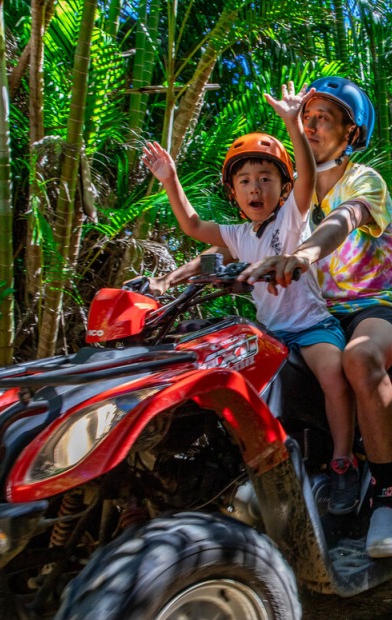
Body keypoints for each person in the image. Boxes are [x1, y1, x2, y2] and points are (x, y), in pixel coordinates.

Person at [141, 84, 358, 509]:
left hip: (311, 326)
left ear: (282, 188)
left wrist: (293, 123)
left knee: (334, 375)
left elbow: (308, 177)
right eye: (245, 181)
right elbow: (193, 226)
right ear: (234, 192)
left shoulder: (292, 221)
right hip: (269, 334)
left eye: (266, 179)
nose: (255, 188)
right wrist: (170, 180)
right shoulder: (239, 235)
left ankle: (343, 461)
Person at [240, 76, 392, 559]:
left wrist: (301, 255)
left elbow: (343, 223)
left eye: (325, 118)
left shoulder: (363, 181)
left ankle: (386, 500)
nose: (313, 125)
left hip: (376, 306)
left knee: (361, 359)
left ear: (351, 133)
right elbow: (236, 239)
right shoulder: (287, 196)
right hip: (319, 315)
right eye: (308, 117)